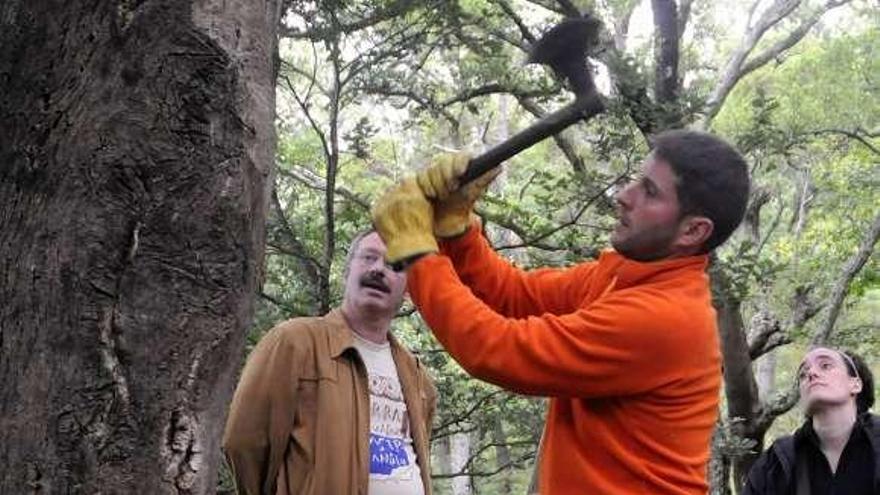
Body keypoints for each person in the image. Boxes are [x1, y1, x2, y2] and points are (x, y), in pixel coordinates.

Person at [370, 129, 751, 494]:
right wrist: (455, 230)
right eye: (637, 179)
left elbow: (499, 349)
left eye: (650, 192)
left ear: (692, 231)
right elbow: (513, 295)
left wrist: (414, 248)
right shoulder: (621, 277)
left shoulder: (667, 318)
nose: (624, 195)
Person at [223, 230, 437, 495]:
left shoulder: (418, 378)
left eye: (394, 265)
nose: (378, 269)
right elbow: (244, 443)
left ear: (409, 289)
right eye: (369, 257)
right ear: (347, 272)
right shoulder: (294, 342)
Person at [743, 347, 879, 494]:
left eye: (826, 366)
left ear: (855, 384)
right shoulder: (776, 462)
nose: (811, 373)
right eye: (803, 374)